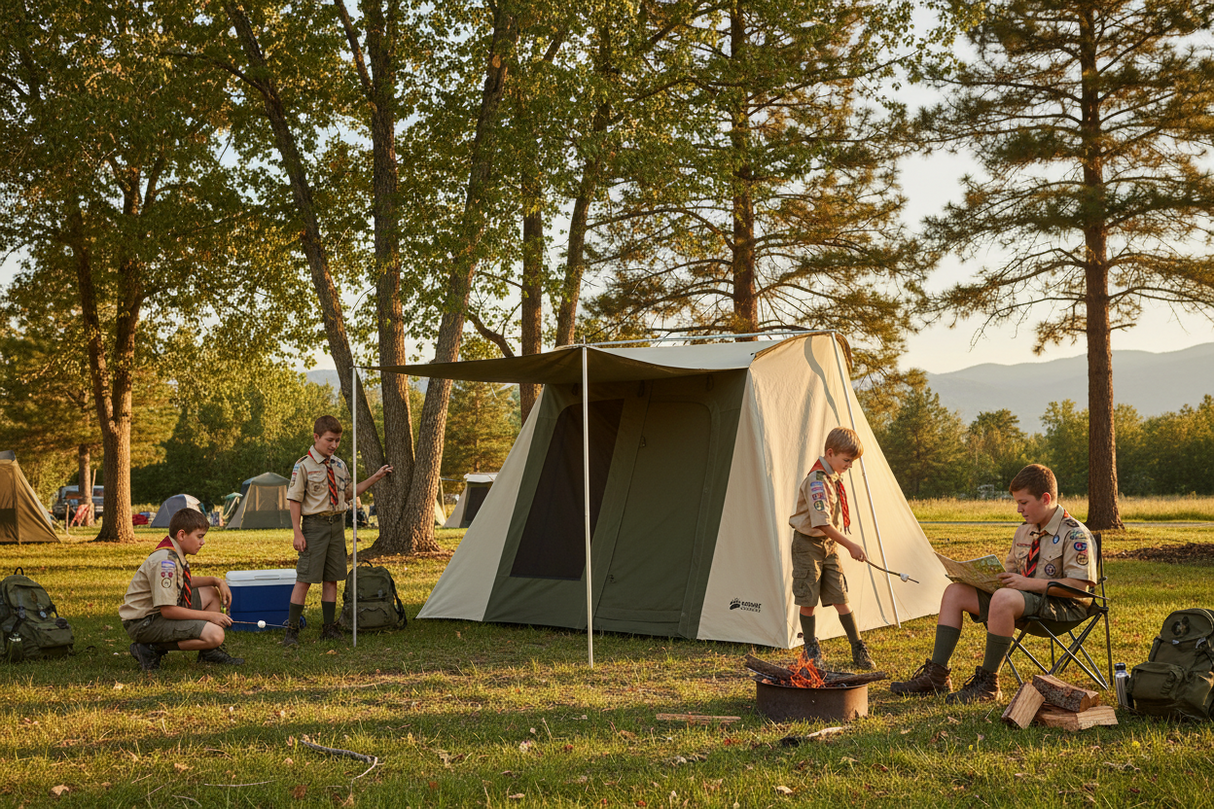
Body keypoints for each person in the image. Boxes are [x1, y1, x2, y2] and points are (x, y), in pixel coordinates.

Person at [891, 463, 1098, 703]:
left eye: (1024, 502)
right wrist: (983, 578)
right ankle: (936, 676)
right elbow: (1011, 572)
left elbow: (1078, 587)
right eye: (1017, 503)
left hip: (1062, 608)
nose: (1019, 509)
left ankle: (988, 684)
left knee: (1003, 598)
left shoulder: (1075, 533)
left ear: (1045, 498)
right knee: (955, 591)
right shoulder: (1024, 532)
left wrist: (1024, 584)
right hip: (1021, 601)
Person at [283, 414, 392, 647]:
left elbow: (349, 493)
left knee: (332, 579)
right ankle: (291, 631)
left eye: (338, 440)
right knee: (305, 579)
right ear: (316, 437)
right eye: (329, 440)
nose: (333, 445)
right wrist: (297, 532)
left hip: (337, 526)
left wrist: (376, 477)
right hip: (314, 527)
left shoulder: (340, 465)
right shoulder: (303, 465)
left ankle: (329, 628)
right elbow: (294, 500)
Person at [789, 426, 874, 670]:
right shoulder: (816, 481)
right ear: (830, 453)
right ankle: (811, 648)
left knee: (840, 596)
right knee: (808, 598)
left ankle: (858, 647)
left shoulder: (833, 477)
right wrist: (851, 545)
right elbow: (822, 523)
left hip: (829, 545)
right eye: (847, 460)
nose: (849, 465)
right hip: (808, 545)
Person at [120, 508, 243, 672]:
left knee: (211, 592)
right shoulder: (166, 562)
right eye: (199, 536)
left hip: (156, 615)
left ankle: (209, 652)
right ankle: (150, 648)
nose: (203, 542)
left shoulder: (173, 552)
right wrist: (210, 616)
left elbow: (181, 583)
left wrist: (216, 581)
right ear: (182, 535)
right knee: (216, 634)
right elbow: (168, 611)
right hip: (145, 623)